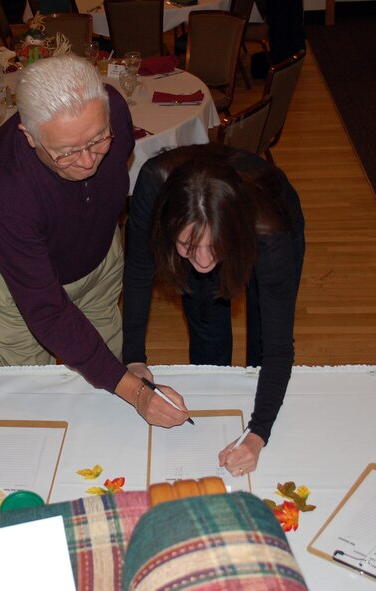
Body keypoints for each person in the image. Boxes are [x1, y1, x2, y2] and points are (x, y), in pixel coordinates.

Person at [0, 55, 190, 428]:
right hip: (11, 282)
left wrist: (127, 383)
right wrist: (138, 393)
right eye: (66, 152)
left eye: (98, 140)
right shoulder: (9, 198)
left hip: (96, 256)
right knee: (34, 394)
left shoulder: (112, 107)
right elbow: (48, 312)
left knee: (108, 369)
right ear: (29, 135)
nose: (87, 162)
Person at [122, 144, 305, 477]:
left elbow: (278, 347)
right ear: (168, 228)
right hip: (212, 224)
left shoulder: (269, 230)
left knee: (264, 340)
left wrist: (258, 434)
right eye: (188, 247)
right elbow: (137, 272)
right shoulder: (151, 188)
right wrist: (134, 358)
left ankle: (255, 407)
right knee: (205, 318)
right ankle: (216, 407)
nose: (204, 261)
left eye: (214, 248)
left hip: (270, 214)